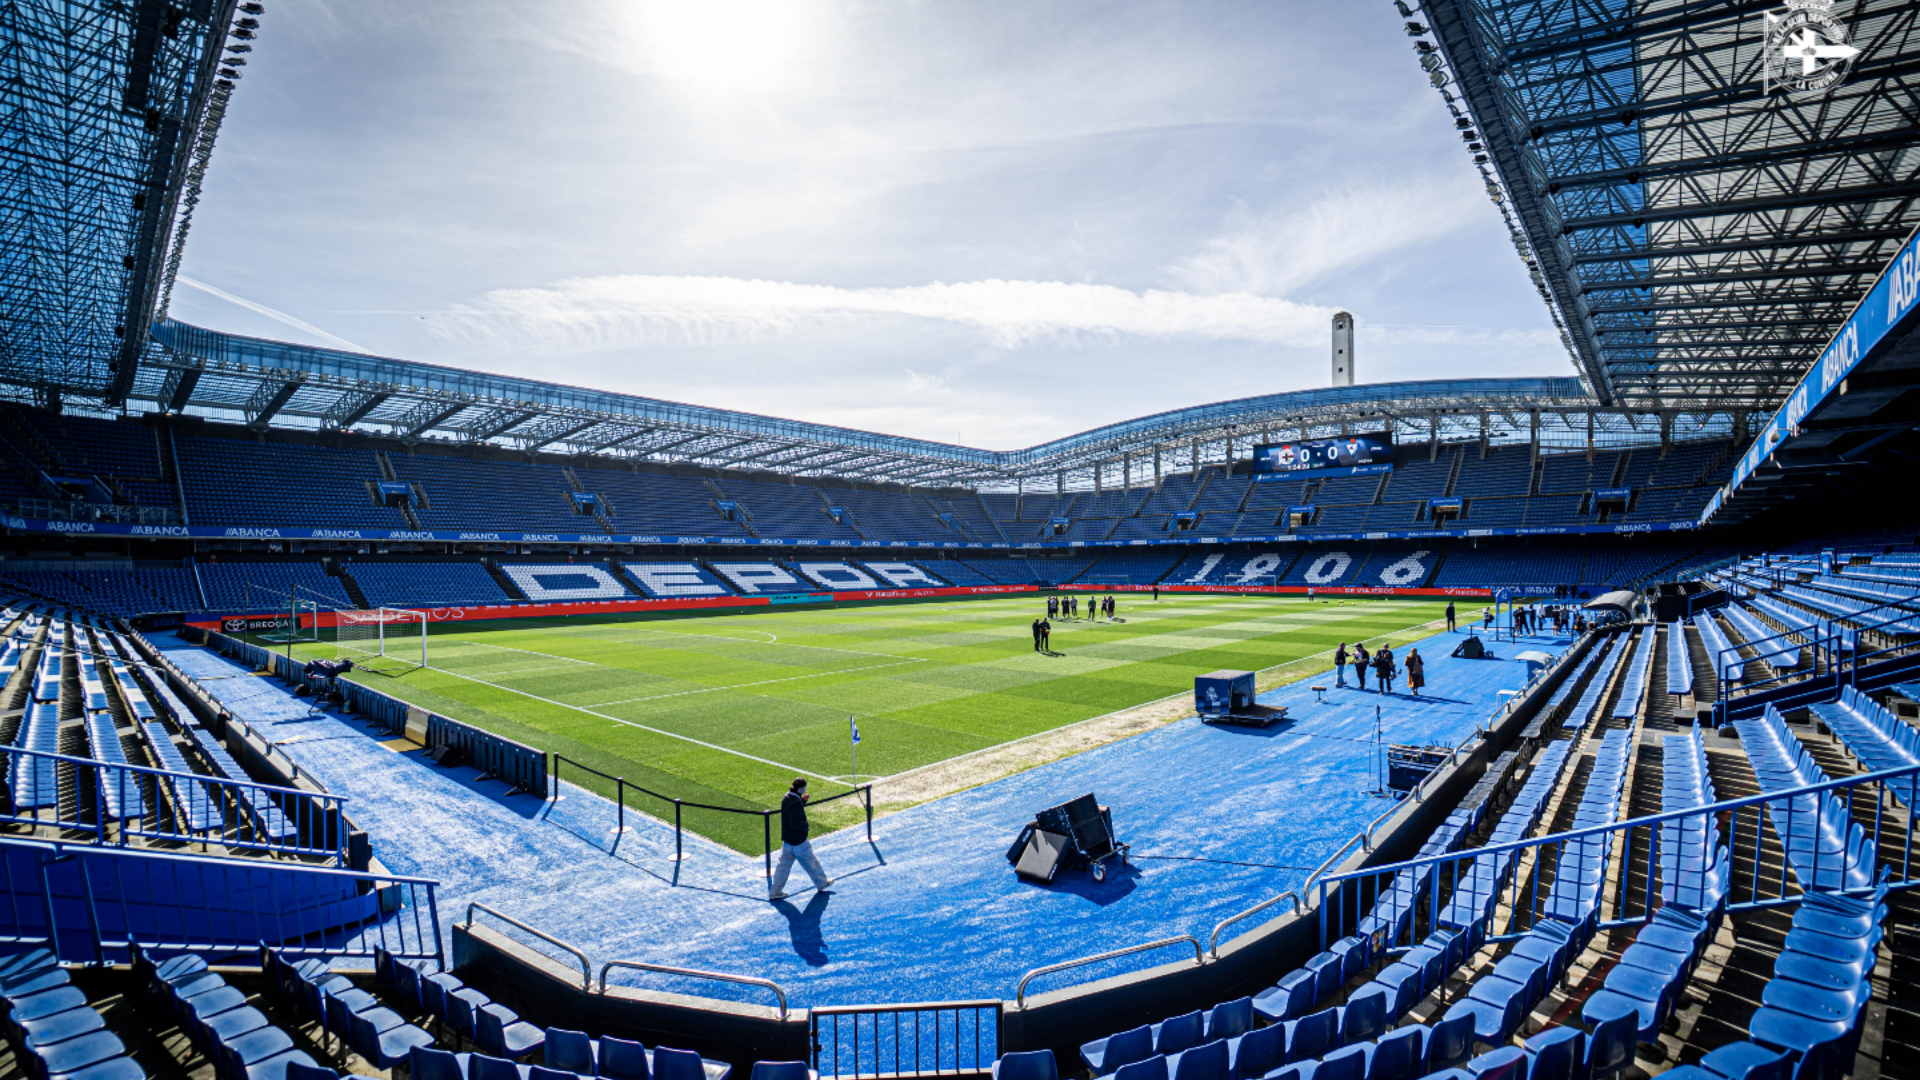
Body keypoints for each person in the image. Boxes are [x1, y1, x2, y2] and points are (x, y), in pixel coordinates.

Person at [769, 778, 833, 901]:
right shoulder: (795, 802)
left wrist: (803, 801)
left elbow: (791, 813)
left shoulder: (786, 797)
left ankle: (775, 891)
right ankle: (822, 883)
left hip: (787, 841)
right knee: (812, 862)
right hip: (799, 841)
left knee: (782, 868)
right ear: (800, 788)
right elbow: (794, 821)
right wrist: (805, 827)